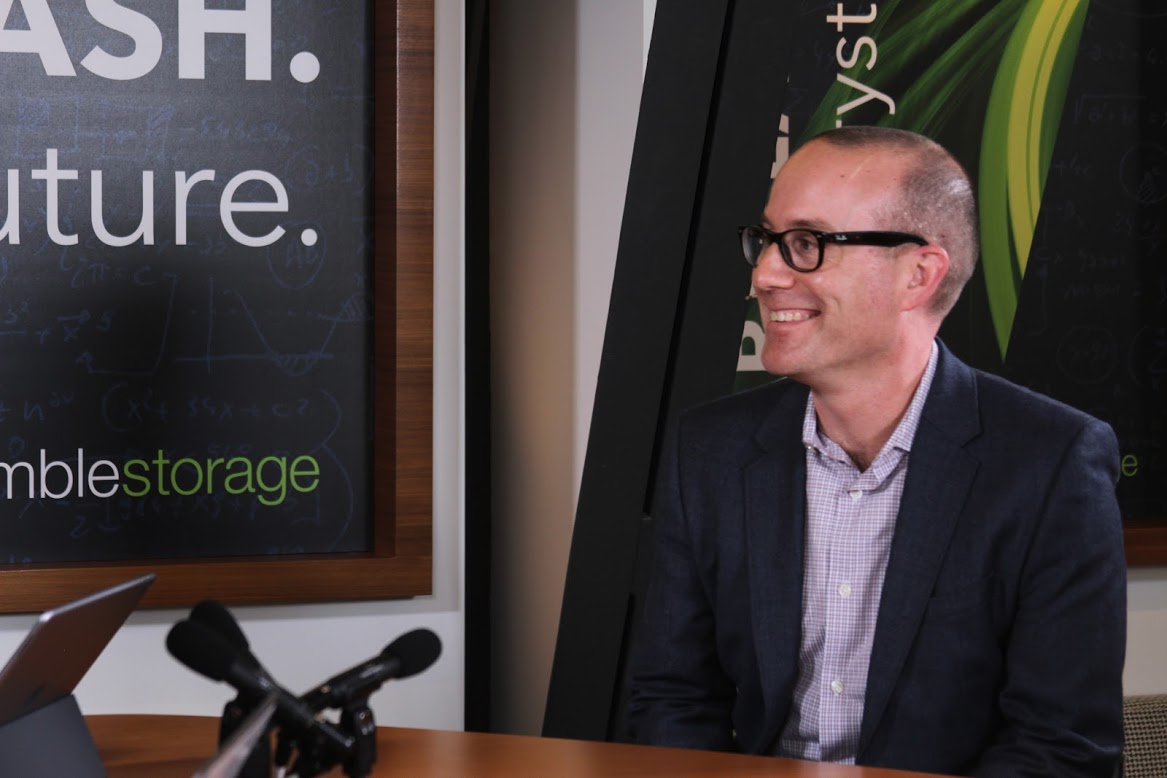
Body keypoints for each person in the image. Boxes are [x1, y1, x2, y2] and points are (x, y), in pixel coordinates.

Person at [625, 126, 1127, 776]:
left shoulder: (1050, 462)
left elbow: (1062, 747)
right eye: (766, 240)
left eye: (807, 244)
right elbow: (673, 698)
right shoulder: (709, 450)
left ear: (918, 275)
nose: (765, 274)